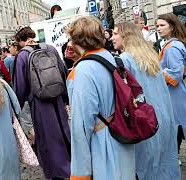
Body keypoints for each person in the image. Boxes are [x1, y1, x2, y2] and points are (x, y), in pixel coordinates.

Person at [66, 16, 135, 179]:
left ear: (77, 40)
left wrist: (80, 172)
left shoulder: (82, 70)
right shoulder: (112, 57)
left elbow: (81, 125)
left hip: (103, 142)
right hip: (121, 134)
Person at [111, 22, 181, 180]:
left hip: (146, 120)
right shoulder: (150, 56)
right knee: (166, 162)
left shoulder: (124, 60)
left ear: (126, 35)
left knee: (149, 165)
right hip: (164, 117)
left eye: (115, 34)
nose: (112, 37)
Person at [13, 26, 70, 179]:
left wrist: (17, 111)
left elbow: (20, 88)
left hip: (39, 104)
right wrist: (65, 99)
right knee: (64, 132)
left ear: (19, 40)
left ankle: (57, 173)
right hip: (57, 99)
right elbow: (63, 73)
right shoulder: (50, 48)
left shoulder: (22, 56)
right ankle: (72, 166)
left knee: (48, 139)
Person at [156, 13, 186, 161]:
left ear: (172, 27)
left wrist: (154, 75)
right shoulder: (171, 44)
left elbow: (175, 74)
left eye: (162, 25)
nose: (158, 28)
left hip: (176, 95)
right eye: (157, 26)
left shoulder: (173, 47)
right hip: (175, 94)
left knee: (177, 128)